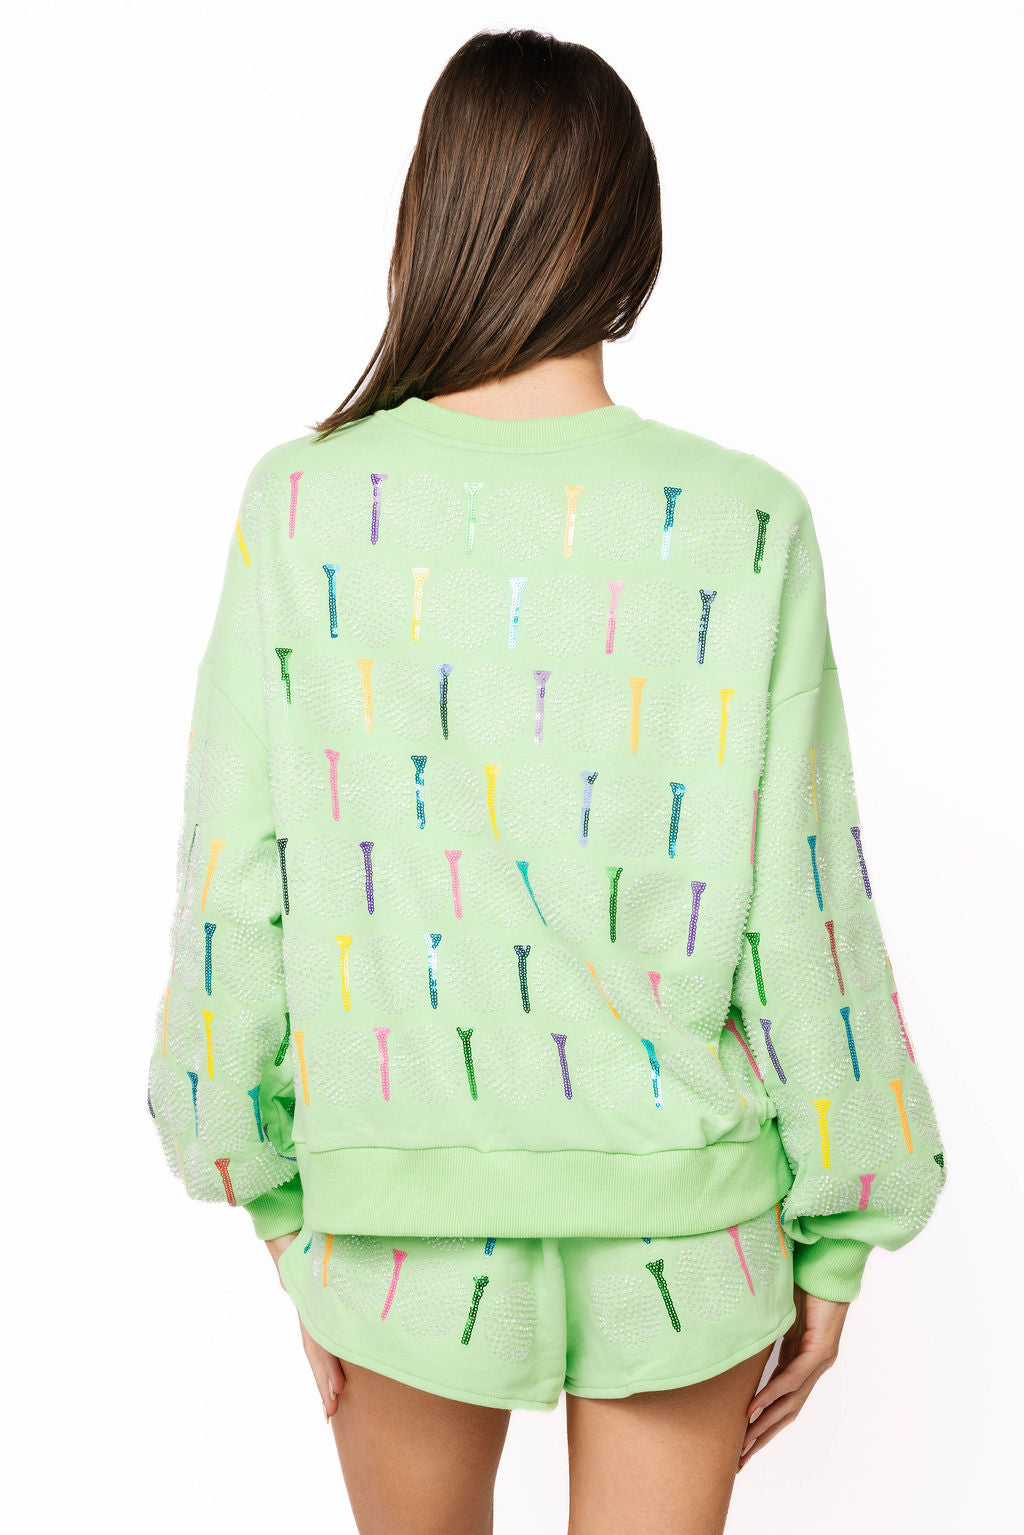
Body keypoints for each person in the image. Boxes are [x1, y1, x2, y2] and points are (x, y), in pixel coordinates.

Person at [146, 26, 946, 1535]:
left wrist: (282, 1207)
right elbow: (802, 902)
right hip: (688, 1224)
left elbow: (235, 887)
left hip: (394, 1217)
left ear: (430, 219)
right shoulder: (742, 522)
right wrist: (843, 1233)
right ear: (636, 241)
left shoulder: (305, 506)